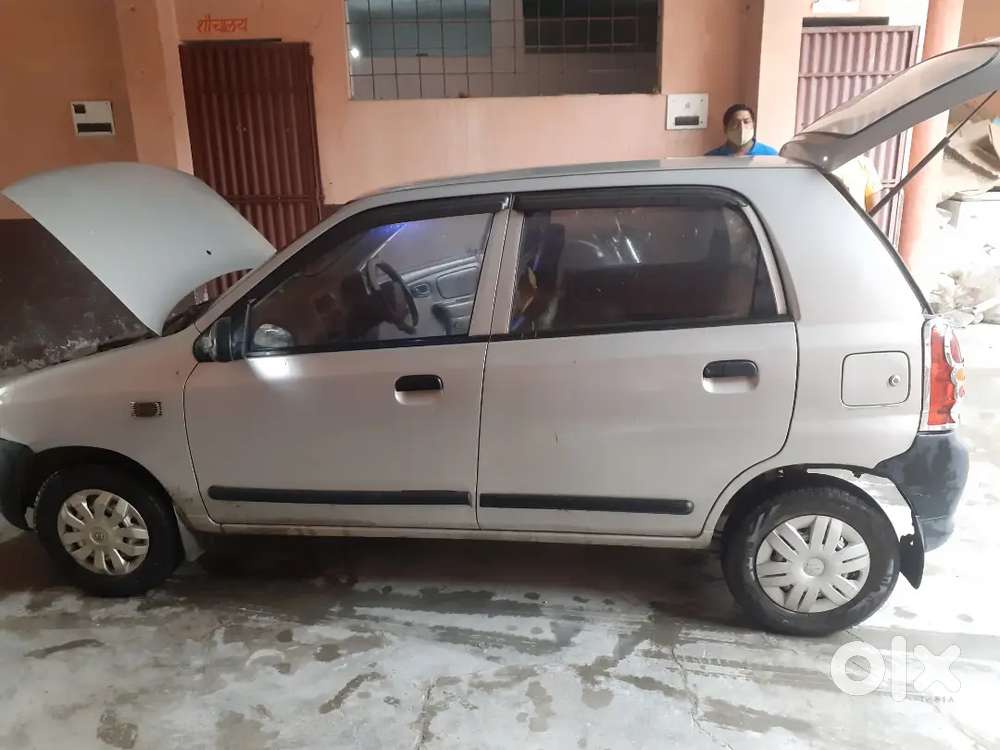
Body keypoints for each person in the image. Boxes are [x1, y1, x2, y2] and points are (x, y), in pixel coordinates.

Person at [705, 104, 778, 156]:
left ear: (753, 125)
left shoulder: (771, 155)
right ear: (725, 128)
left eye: (746, 122)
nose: (741, 127)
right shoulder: (711, 158)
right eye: (735, 123)